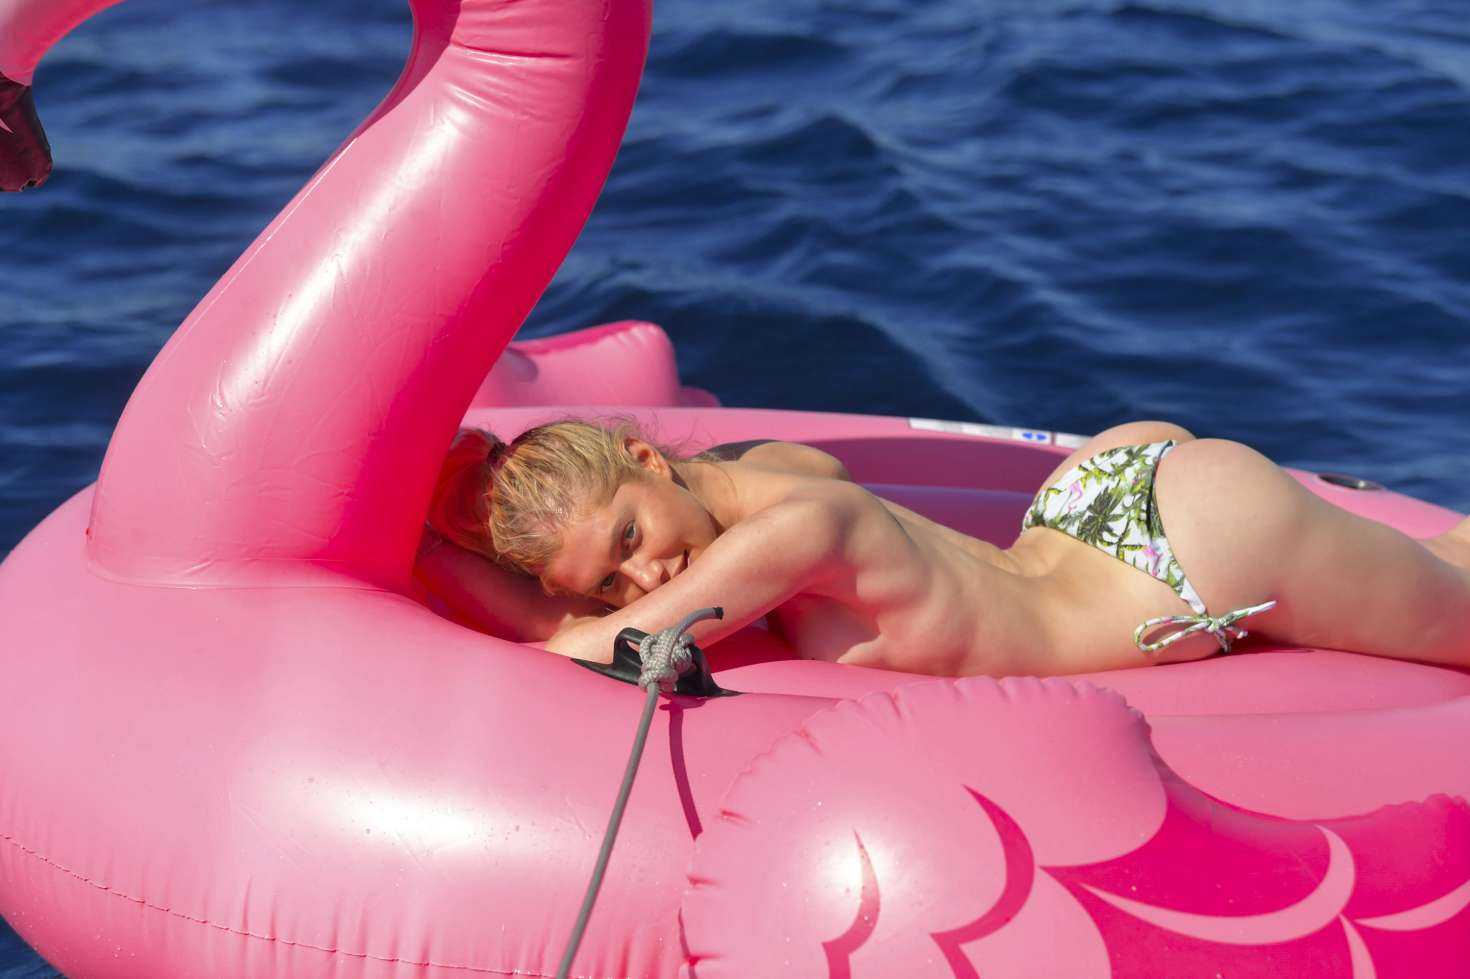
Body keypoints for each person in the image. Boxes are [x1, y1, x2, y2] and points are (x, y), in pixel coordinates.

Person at [414, 418, 1470, 677]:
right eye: (611, 577)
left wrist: (418, 538)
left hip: (1194, 551)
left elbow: (583, 645)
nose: (646, 578)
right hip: (1096, 505)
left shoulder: (791, 536)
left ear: (648, 457)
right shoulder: (772, 470)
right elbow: (587, 609)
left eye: (631, 539)